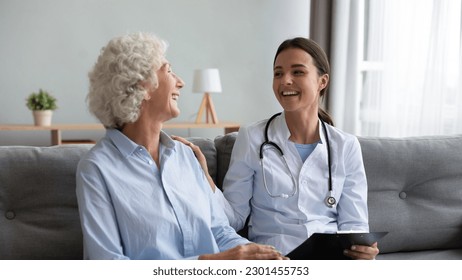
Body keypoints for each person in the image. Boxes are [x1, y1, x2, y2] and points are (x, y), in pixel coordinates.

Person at [75, 32, 286, 260]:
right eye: (169, 71)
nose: (180, 82)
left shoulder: (185, 156)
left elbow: (220, 231)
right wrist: (207, 263)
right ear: (142, 85)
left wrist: (262, 256)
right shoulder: (97, 168)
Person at [183, 37, 378, 260]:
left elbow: (354, 226)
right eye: (278, 73)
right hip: (276, 260)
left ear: (322, 81)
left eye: (297, 72)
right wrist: (206, 179)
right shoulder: (252, 137)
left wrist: (364, 250)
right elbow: (234, 218)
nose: (285, 80)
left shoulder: (346, 146)